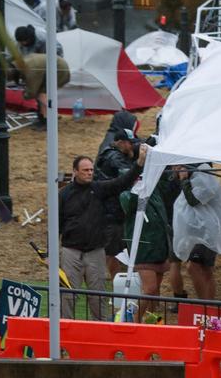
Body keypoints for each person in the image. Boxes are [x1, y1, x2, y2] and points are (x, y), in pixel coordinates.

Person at [58, 147, 148, 320]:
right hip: (70, 252)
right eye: (85, 170)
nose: (89, 173)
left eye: (91, 170)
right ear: (75, 171)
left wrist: (139, 164)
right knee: (67, 296)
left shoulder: (99, 189)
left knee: (98, 296)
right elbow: (56, 224)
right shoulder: (64, 195)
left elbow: (122, 182)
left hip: (95, 252)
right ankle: (63, 332)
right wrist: (49, 254)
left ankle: (101, 331)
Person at [172, 163, 221, 300]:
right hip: (201, 231)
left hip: (207, 232)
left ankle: (204, 305)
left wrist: (184, 180)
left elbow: (194, 200)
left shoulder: (202, 175)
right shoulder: (197, 175)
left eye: (176, 165)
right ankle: (208, 305)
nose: (173, 169)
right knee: (206, 270)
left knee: (193, 267)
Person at [119, 173, 173, 322]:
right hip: (144, 250)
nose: (142, 181)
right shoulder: (126, 195)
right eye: (139, 178)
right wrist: (137, 190)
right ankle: (134, 320)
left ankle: (150, 321)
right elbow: (130, 206)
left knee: (155, 292)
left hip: (160, 247)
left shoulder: (155, 192)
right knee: (149, 289)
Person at [94, 128, 137, 280]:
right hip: (111, 212)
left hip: (113, 210)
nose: (131, 146)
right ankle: (116, 284)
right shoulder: (113, 157)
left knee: (117, 250)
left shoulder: (111, 154)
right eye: (129, 143)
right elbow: (128, 176)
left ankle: (118, 281)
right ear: (120, 142)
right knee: (113, 251)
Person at [13, 25, 67, 129]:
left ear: (30, 37)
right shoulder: (20, 44)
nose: (23, 44)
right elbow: (23, 57)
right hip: (36, 67)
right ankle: (42, 117)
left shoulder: (43, 38)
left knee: (44, 92)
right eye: (21, 42)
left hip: (52, 64)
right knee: (38, 92)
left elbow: (57, 52)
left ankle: (49, 120)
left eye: (24, 41)